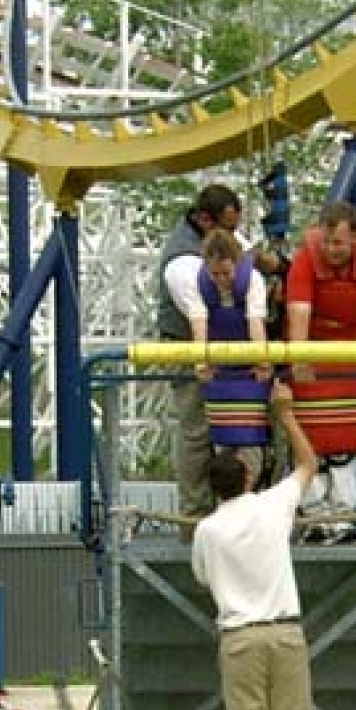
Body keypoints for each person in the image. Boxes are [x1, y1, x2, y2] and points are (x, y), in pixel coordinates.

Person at [191, 380, 320, 710]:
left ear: (212, 487)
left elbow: (204, 578)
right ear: (247, 477)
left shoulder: (208, 530)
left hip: (240, 636)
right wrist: (285, 416)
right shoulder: (271, 505)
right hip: (286, 629)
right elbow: (308, 464)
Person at [284, 200, 356, 534]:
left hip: (349, 354)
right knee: (308, 437)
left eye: (339, 243)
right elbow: (299, 311)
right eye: (327, 242)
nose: (332, 249)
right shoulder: (305, 258)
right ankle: (314, 513)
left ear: (355, 239)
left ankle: (344, 512)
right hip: (312, 349)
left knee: (347, 439)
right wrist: (300, 357)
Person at [157, 183, 242, 517]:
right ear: (206, 220)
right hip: (188, 348)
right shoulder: (182, 262)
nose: (233, 236)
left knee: (231, 430)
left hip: (221, 350)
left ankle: (229, 511)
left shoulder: (216, 244)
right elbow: (201, 314)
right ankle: (195, 515)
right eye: (228, 228)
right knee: (197, 433)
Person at [183, 228, 273, 486]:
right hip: (219, 372)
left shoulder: (252, 280)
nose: (221, 280)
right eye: (215, 275)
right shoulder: (197, 283)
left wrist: (262, 362)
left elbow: (255, 322)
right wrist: (202, 363)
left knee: (252, 440)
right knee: (221, 440)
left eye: (226, 273)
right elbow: (199, 324)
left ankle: (253, 484)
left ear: (236, 263)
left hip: (249, 372)